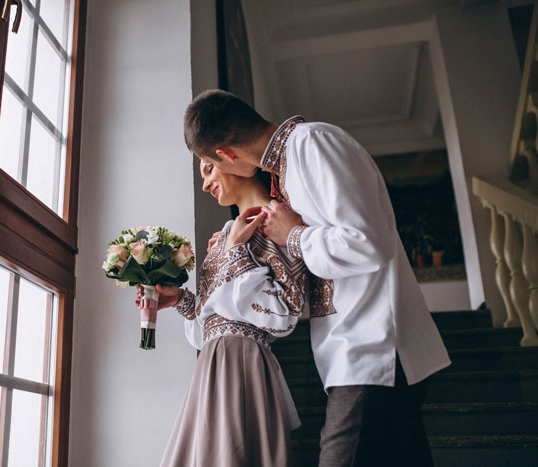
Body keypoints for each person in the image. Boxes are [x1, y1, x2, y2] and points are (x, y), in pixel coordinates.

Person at [182, 89, 451, 467]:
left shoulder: (312, 144)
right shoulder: (288, 171)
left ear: (225, 155)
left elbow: (368, 243)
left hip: (371, 346)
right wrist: (238, 254)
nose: (211, 180)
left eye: (210, 165)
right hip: (354, 351)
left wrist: (292, 235)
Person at [138, 162, 312, 467]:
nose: (205, 184)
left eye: (209, 169)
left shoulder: (282, 222)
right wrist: (180, 299)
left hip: (243, 364)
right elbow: (212, 318)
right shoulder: (222, 240)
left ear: (235, 160)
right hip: (210, 367)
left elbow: (285, 313)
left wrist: (236, 252)